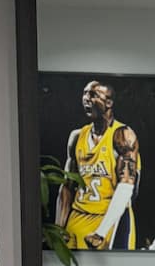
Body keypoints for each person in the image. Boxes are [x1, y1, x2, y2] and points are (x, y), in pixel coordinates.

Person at [56, 80, 141, 250]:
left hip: (110, 220)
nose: (86, 99)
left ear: (109, 103)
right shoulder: (77, 136)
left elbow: (126, 187)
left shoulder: (123, 135)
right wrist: (59, 227)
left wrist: (101, 232)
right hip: (77, 217)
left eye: (93, 95)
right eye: (85, 93)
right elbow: (67, 186)